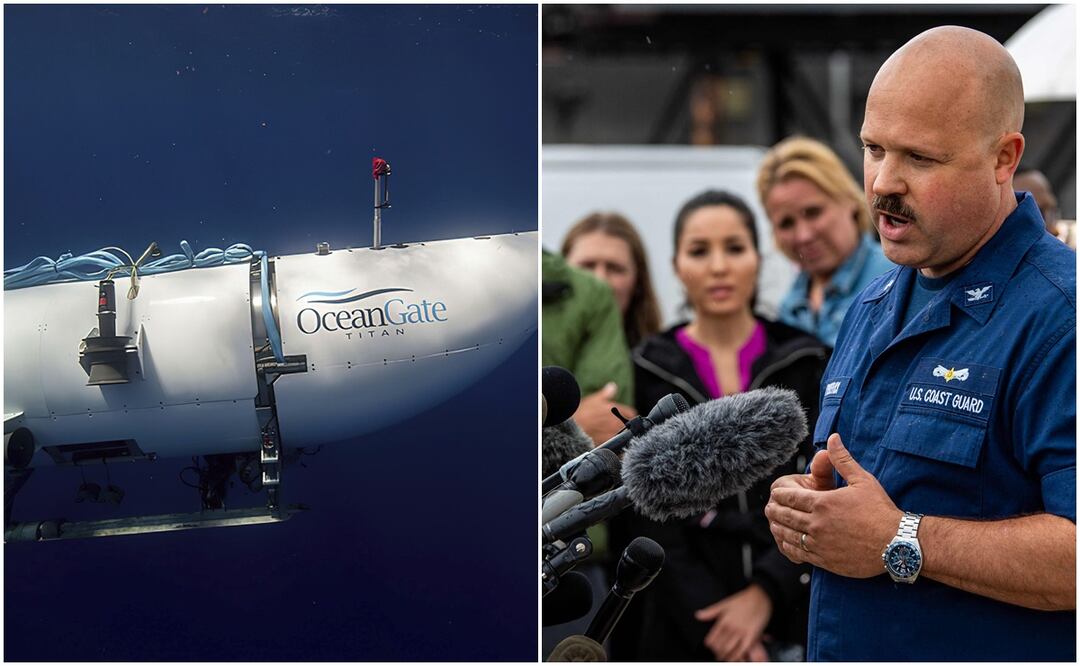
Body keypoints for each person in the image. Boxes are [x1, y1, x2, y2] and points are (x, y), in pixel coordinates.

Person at [765, 26, 1075, 661]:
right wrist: (811, 514)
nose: (883, 183)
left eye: (920, 158)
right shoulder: (875, 303)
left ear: (1004, 158)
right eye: (873, 149)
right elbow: (873, 503)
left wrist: (900, 539)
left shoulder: (1060, 317)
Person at [630, 190, 829, 661]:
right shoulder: (645, 369)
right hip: (683, 626)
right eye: (700, 251)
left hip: (794, 617)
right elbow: (646, 517)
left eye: (734, 248)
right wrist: (719, 626)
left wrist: (765, 594)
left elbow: (825, 486)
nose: (719, 266)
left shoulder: (807, 360)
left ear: (758, 260)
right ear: (676, 265)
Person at [757, 136, 895, 347]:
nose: (803, 235)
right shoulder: (788, 306)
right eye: (786, 223)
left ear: (849, 200)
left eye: (813, 213)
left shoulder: (896, 279)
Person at [562, 212, 663, 444]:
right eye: (586, 266)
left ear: (637, 282)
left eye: (615, 268)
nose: (599, 281)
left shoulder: (662, 367)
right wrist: (568, 426)